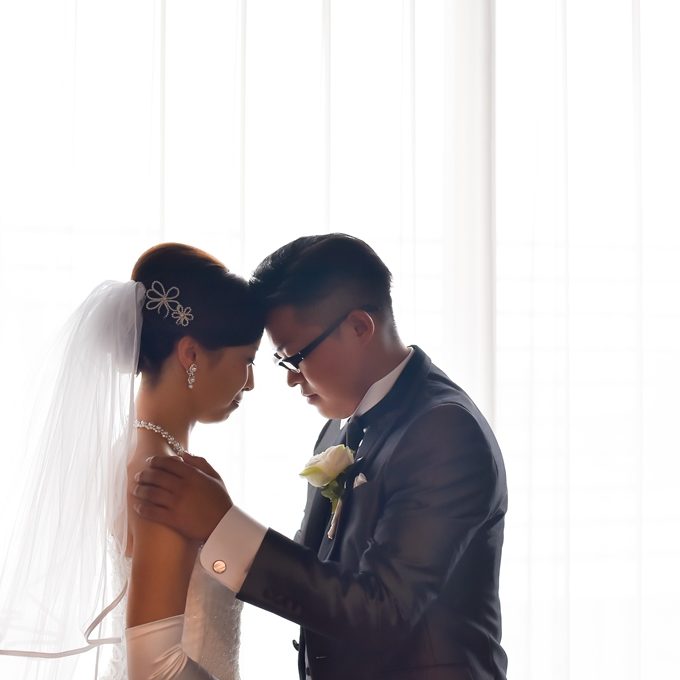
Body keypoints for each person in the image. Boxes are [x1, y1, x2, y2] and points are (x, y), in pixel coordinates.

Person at [134, 233, 509, 680]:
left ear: (359, 327)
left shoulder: (445, 431)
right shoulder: (338, 428)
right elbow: (318, 576)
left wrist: (222, 524)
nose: (291, 378)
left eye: (296, 356)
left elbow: (381, 610)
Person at [0, 243, 264, 680]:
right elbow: (155, 670)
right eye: (247, 360)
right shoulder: (165, 477)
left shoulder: (130, 451)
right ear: (191, 354)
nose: (250, 383)